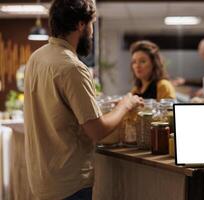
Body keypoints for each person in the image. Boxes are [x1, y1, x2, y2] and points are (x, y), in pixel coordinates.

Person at [24, 0, 143, 199]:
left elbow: (60, 110)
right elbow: (97, 131)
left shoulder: (37, 57)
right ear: (81, 24)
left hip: (42, 179)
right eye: (91, 25)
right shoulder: (73, 67)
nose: (92, 31)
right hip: (69, 184)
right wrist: (125, 105)